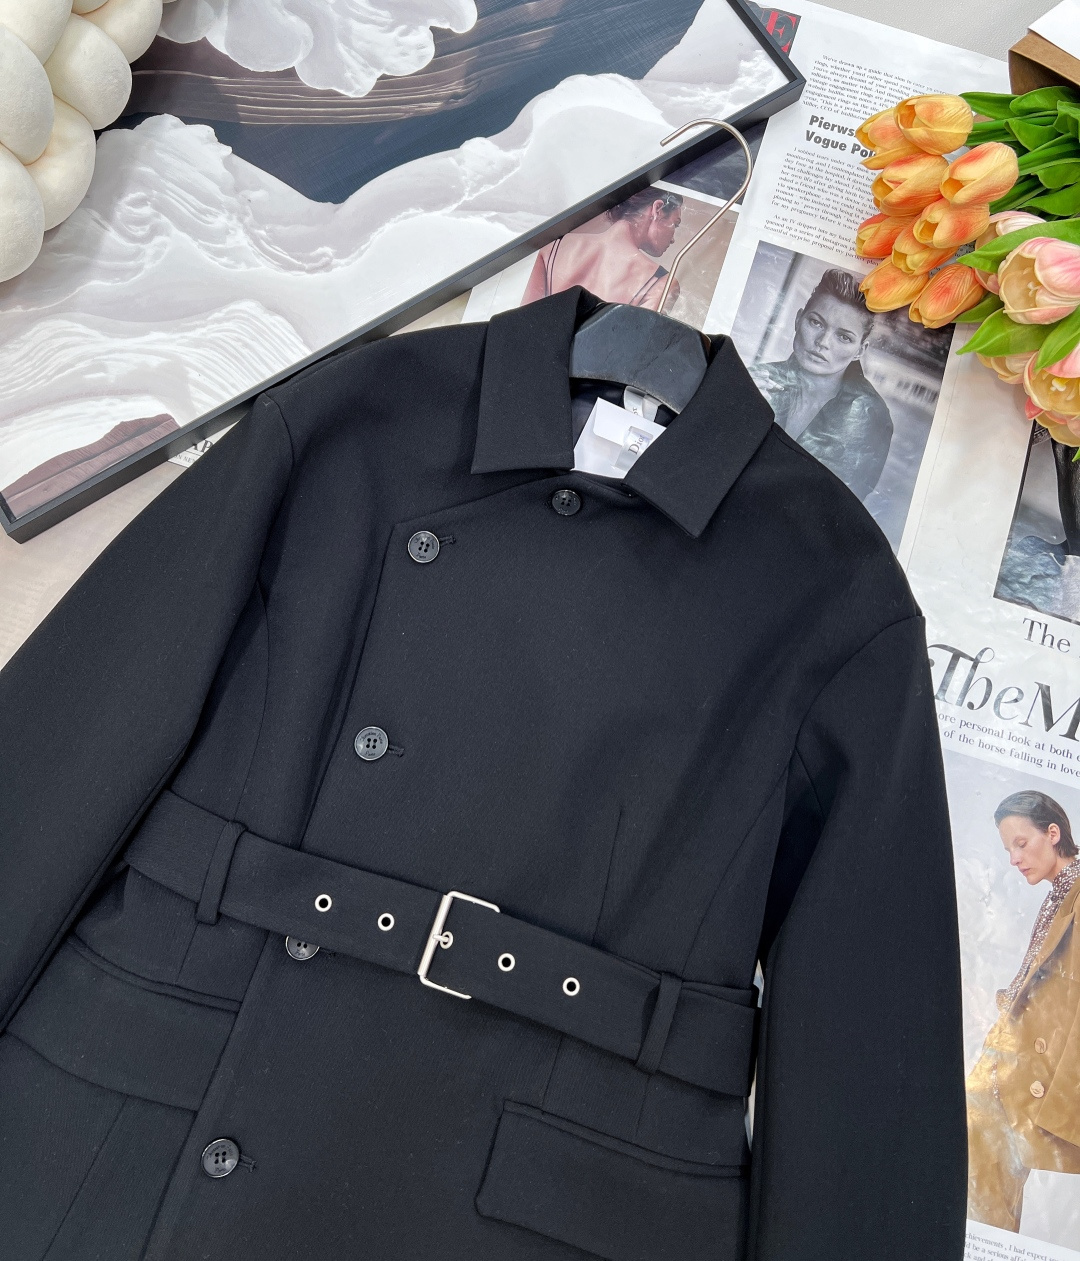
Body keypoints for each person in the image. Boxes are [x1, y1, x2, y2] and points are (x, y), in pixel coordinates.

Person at [967, 790, 1080, 1232]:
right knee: (979, 1185)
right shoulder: (1059, 893)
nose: (1014, 859)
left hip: (1027, 1071)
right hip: (1007, 1059)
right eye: (1007, 849)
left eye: (1021, 843)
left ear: (1053, 833)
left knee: (982, 1188)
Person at [748, 268, 893, 501]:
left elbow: (846, 505)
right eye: (816, 323)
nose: (823, 342)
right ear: (798, 320)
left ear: (860, 350)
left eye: (844, 337)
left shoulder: (869, 414)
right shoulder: (755, 380)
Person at [522, 188, 682, 311]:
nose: (673, 239)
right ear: (658, 209)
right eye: (675, 224)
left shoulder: (552, 248)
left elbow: (521, 326)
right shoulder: (663, 284)